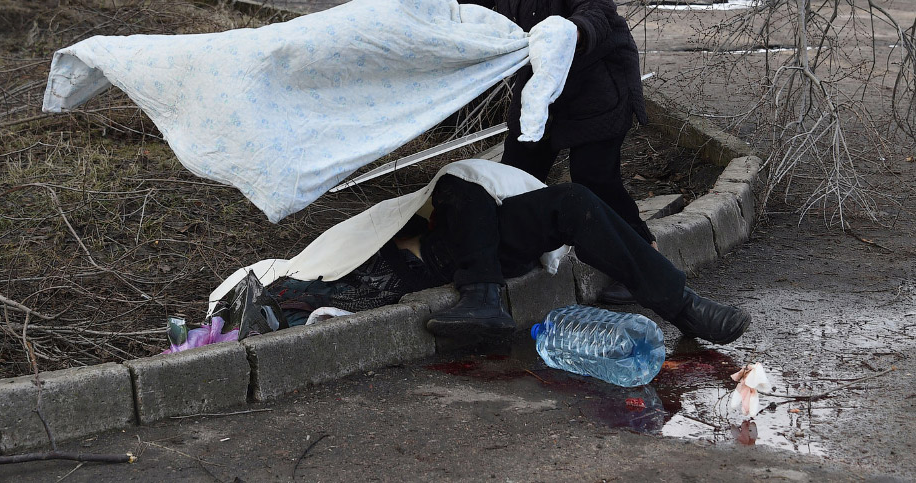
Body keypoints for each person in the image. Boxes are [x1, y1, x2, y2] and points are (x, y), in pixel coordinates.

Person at [240, 159, 750, 347]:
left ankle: (684, 308)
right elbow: (308, 285)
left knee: (565, 199)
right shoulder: (340, 262)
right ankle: (481, 297)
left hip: (485, 245)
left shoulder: (462, 201)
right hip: (440, 261)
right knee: (459, 189)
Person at [441, 0, 651, 304]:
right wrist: (428, 10)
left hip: (597, 85)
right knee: (517, 173)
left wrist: (567, 34)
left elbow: (596, 15)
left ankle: (645, 264)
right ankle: (510, 257)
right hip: (541, 91)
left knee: (596, 180)